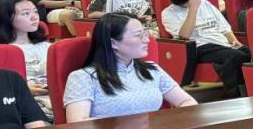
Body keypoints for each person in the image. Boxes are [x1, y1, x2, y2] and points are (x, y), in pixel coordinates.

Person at [64, 13, 197, 122]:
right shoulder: (83, 77)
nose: (147, 40)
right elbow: (77, 124)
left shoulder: (152, 70)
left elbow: (187, 101)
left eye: (145, 34)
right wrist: (127, 127)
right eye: (138, 35)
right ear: (113, 43)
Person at [161, 0, 250, 98]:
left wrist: (234, 41)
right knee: (235, 57)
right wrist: (193, 8)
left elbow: (224, 27)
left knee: (250, 55)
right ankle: (237, 96)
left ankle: (249, 92)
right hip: (199, 48)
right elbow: (184, 36)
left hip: (222, 44)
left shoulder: (206, 4)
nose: (197, 0)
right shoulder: (168, 13)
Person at [0, 0, 53, 116]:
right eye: (26, 13)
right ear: (7, 18)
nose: (34, 17)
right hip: (21, 105)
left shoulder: (48, 47)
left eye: (35, 12)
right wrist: (24, 90)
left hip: (54, 99)